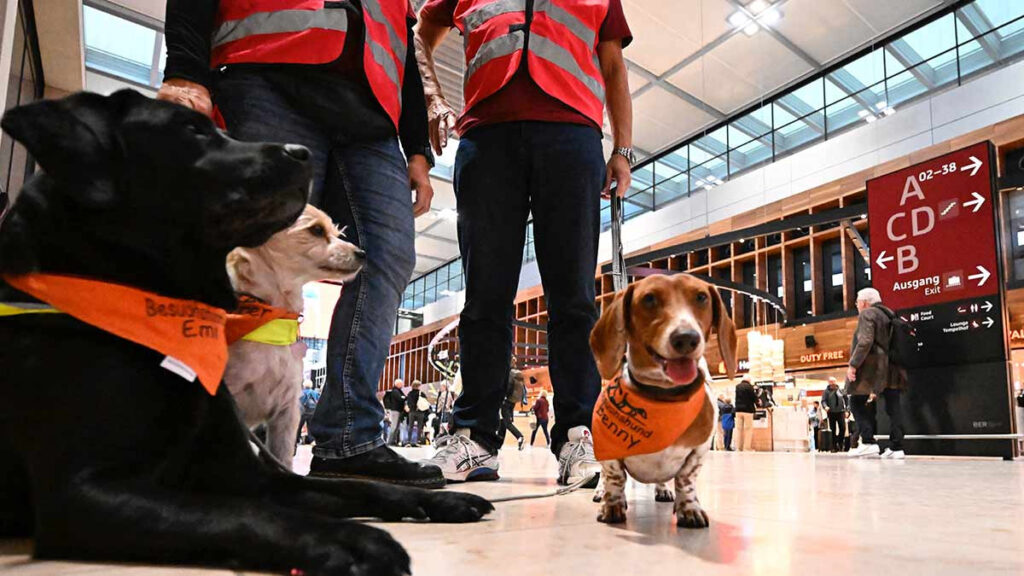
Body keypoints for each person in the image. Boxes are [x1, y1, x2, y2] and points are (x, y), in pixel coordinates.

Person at [159, 0, 445, 488]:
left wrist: (416, 145)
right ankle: (196, 430)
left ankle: (350, 439)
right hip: (266, 76)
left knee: (388, 253)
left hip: (372, 118)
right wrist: (187, 68)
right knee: (243, 242)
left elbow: (403, 52)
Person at [416, 0, 634, 486]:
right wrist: (432, 97)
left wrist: (621, 148)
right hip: (486, 139)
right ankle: (475, 436)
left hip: (572, 136)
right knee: (485, 298)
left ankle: (580, 433)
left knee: (574, 298)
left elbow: (613, 63)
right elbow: (421, 31)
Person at [846, 288, 906, 459]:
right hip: (893, 366)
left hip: (873, 367)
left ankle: (868, 441)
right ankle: (897, 447)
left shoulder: (868, 314)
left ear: (864, 302)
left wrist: (853, 364)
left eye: (857, 302)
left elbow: (865, 341)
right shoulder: (889, 314)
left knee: (856, 401)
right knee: (893, 406)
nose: (857, 305)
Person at [497, 368, 527, 451]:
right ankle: (498, 444)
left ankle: (520, 437)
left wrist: (505, 397)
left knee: (507, 423)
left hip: (506, 401)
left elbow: (508, 386)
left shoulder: (509, 374)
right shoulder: (516, 374)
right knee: (503, 422)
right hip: (513, 401)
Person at [821, 377, 847, 453]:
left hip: (841, 412)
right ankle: (834, 446)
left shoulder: (841, 390)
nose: (832, 383)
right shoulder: (826, 392)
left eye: (833, 381)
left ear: (836, 382)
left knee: (843, 428)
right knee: (833, 429)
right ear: (828, 383)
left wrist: (847, 410)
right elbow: (823, 401)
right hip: (831, 412)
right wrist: (825, 406)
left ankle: (840, 442)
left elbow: (846, 400)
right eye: (830, 382)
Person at [383, 379, 407, 447]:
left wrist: (404, 397)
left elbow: (403, 397)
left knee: (396, 427)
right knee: (394, 426)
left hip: (398, 410)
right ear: (397, 384)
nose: (403, 385)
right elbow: (400, 398)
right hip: (395, 410)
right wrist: (404, 397)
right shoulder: (395, 391)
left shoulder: (398, 391)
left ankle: (393, 441)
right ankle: (390, 441)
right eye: (401, 384)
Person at [734, 378, 757, 452]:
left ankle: (738, 448)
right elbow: (753, 398)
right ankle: (746, 448)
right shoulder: (749, 387)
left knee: (738, 429)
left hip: (738, 410)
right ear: (749, 380)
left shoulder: (737, 386)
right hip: (748, 410)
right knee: (748, 429)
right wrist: (757, 401)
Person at [297, 380, 320, 446]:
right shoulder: (315, 393)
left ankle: (297, 440)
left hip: (303, 412)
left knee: (299, 426)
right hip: (312, 412)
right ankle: (312, 440)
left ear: (304, 385)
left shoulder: (301, 393)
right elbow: (318, 401)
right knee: (310, 427)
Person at [406, 380, 427, 447]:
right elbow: (425, 402)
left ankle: (408, 441)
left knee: (410, 426)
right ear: (418, 386)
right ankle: (418, 441)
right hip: (420, 412)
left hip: (412, 411)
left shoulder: (409, 393)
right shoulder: (421, 393)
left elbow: (408, 402)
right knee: (419, 427)